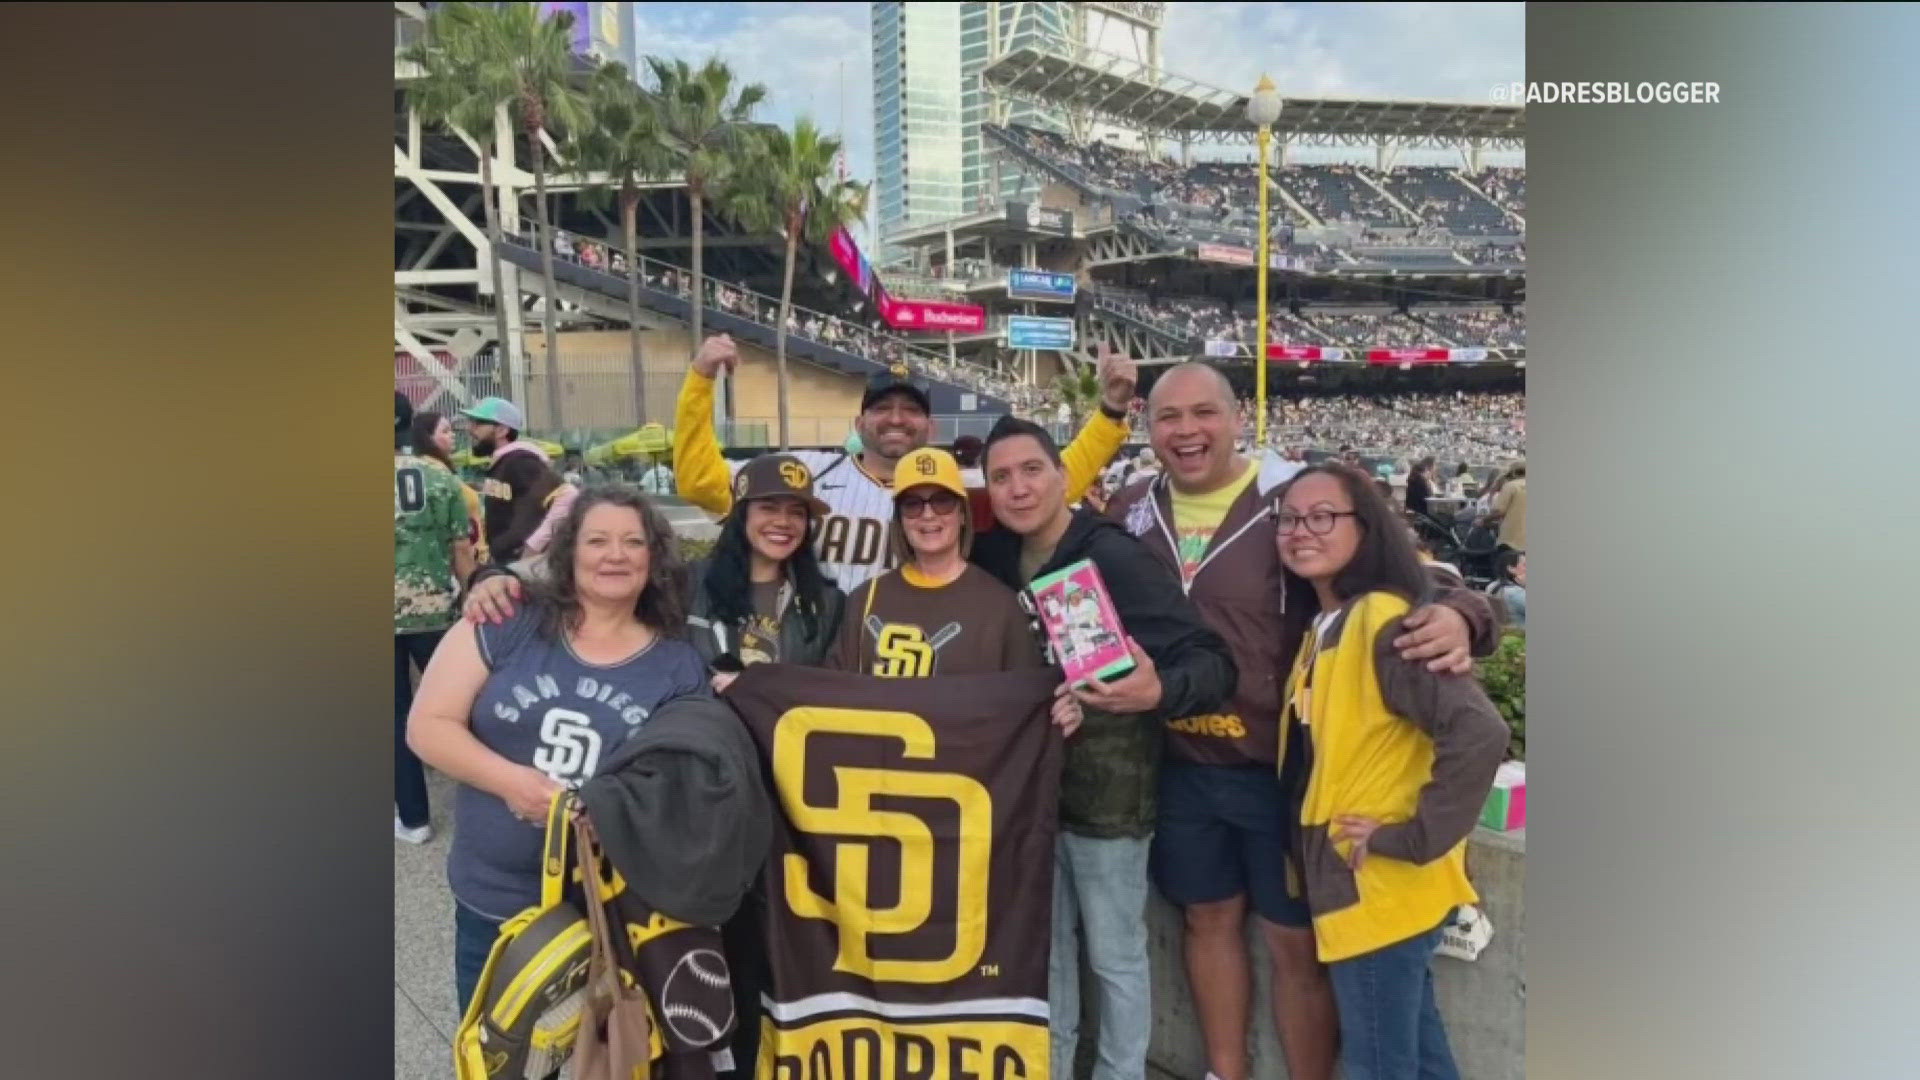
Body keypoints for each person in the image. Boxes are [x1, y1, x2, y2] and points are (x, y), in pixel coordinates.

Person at [1103, 363, 1497, 1080]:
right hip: (1181, 761)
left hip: (1281, 770)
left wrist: (1465, 613)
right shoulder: (1130, 506)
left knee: (1295, 941)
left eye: (1203, 413)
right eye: (1168, 418)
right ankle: (1228, 1072)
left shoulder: (1290, 497)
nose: (1187, 432)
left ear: (1236, 417)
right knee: (1206, 921)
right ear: (1147, 427)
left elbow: (1407, 574)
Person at [969, 416, 1237, 1080]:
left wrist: (1157, 692)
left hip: (1111, 799)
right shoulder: (995, 557)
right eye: (1001, 477)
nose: (1018, 488)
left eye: (1032, 470)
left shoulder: (1113, 555)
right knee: (1047, 953)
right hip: (1029, 798)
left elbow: (1212, 663)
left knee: (1115, 957)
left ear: (1063, 475)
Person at [405, 486, 709, 1015]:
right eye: (597, 540)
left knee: (605, 1060)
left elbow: (680, 783)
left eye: (632, 542)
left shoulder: (678, 665)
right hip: (495, 905)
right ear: (568, 552)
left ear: (653, 558)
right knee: (496, 1059)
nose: (615, 555)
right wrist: (512, 783)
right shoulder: (507, 622)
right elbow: (429, 726)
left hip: (610, 912)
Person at [1270, 464, 1509, 1080]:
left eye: (1323, 516)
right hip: (1372, 886)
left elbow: (1479, 732)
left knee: (1380, 1065)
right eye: (1290, 519)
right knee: (1421, 1058)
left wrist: (1414, 837)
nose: (1302, 530)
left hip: (1379, 884)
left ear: (1365, 527)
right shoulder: (1329, 622)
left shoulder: (1379, 619)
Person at [670, 334, 1137, 594]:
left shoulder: (957, 486)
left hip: (914, 649)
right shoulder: (807, 472)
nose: (896, 418)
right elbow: (701, 483)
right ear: (860, 421)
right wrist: (700, 380)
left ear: (929, 427)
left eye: (910, 409)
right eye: (882, 408)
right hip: (817, 646)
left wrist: (1111, 414)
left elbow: (1054, 483)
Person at [689, 453, 846, 688]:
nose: (783, 521)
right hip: (704, 721)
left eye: (796, 512)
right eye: (768, 508)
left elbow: (826, 687)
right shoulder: (688, 584)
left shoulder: (828, 603)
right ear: (742, 515)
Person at [395, 398, 476, 845]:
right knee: (462, 705)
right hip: (433, 608)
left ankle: (414, 819)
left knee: (393, 713)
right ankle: (497, 793)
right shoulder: (439, 476)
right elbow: (461, 549)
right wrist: (472, 597)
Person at [460, 396, 565, 566]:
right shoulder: (504, 463)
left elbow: (567, 497)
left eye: (478, 423)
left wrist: (532, 547)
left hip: (525, 568)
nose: (470, 429)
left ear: (502, 430)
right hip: (511, 564)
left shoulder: (520, 461)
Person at [412, 410, 489, 567]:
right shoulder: (436, 474)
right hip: (461, 561)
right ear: (428, 438)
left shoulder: (443, 471)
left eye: (451, 430)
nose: (452, 435)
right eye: (445, 431)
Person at [1487, 460, 1526, 553]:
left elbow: (1498, 511)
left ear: (1513, 472)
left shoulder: (1511, 486)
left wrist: (1484, 520)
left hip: (1512, 540)